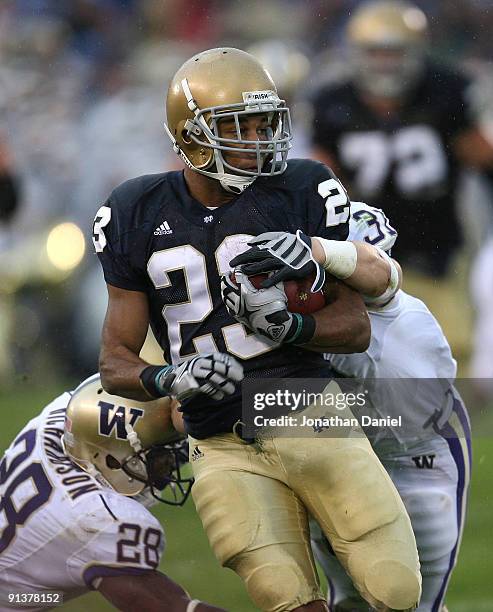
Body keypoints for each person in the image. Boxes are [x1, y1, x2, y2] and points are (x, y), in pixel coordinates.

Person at [94, 47, 421, 611]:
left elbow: (353, 326)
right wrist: (172, 377)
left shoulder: (302, 188)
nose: (258, 140)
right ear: (191, 135)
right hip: (217, 438)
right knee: (282, 594)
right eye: (237, 127)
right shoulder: (134, 210)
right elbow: (115, 363)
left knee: (394, 587)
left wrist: (290, 325)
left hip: (309, 412)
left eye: (264, 123)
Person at [311, 202, 471, 612]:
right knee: (349, 601)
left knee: (413, 603)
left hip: (419, 456)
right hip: (338, 455)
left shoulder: (398, 321)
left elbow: (378, 288)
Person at [309, 0, 493, 355]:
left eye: (394, 53)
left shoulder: (445, 92)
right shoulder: (332, 102)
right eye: (375, 53)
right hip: (362, 256)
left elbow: (482, 156)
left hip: (434, 252)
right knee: (364, 357)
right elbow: (321, 184)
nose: (385, 64)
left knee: (450, 352)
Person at [0, 374, 225, 612]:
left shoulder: (76, 414)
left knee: (38, 598)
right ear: (113, 462)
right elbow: (172, 608)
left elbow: (137, 423)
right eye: (161, 457)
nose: (169, 465)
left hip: (19, 594)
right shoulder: (96, 518)